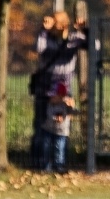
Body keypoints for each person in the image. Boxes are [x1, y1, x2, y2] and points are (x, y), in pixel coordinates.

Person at [30, 11, 87, 171]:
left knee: (61, 130)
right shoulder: (46, 37)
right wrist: (43, 30)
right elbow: (38, 48)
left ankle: (59, 163)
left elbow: (94, 46)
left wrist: (84, 30)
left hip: (63, 92)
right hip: (44, 91)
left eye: (53, 23)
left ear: (62, 25)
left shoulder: (74, 39)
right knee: (41, 129)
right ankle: (40, 164)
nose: (50, 24)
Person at [42, 80, 75, 174]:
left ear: (61, 95)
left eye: (54, 96)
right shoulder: (50, 104)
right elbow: (49, 115)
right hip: (49, 129)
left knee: (59, 148)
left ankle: (59, 165)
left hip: (62, 131)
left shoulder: (66, 104)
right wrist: (54, 118)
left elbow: (70, 113)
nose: (52, 98)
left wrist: (70, 106)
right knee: (46, 147)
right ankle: (46, 166)